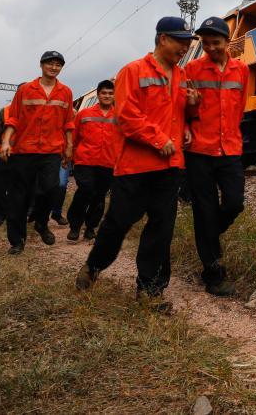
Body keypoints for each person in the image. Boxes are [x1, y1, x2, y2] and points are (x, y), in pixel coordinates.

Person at [75, 17, 200, 310]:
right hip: (135, 167)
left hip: (169, 168)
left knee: (161, 229)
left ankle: (150, 291)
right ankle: (93, 267)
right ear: (161, 39)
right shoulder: (133, 71)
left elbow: (181, 116)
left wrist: (191, 110)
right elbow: (128, 118)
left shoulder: (181, 77)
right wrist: (159, 139)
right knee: (117, 224)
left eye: (187, 42)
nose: (185, 47)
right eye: (180, 41)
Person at [184, 16, 249, 296]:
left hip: (230, 148)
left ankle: (210, 234)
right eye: (205, 42)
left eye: (216, 42)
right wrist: (190, 114)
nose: (210, 47)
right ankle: (213, 274)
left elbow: (240, 105)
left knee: (234, 203)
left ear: (227, 41)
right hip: (200, 149)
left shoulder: (241, 71)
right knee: (203, 211)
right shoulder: (192, 69)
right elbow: (184, 110)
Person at [0, 51, 75, 254]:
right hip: (24, 150)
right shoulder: (25, 90)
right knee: (18, 197)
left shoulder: (66, 92)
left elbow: (68, 123)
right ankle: (17, 241)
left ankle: (41, 222)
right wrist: (6, 141)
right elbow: (13, 119)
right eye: (50, 63)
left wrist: (69, 146)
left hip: (52, 150)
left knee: (52, 188)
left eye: (58, 64)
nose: (54, 67)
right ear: (41, 65)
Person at [66, 80, 118, 241]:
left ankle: (90, 227)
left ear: (114, 95)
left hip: (108, 163)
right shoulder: (84, 114)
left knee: (99, 195)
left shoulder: (120, 116)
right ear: (98, 95)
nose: (107, 96)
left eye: (110, 93)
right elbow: (73, 138)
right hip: (85, 161)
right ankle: (75, 226)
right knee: (86, 190)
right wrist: (68, 156)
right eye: (104, 93)